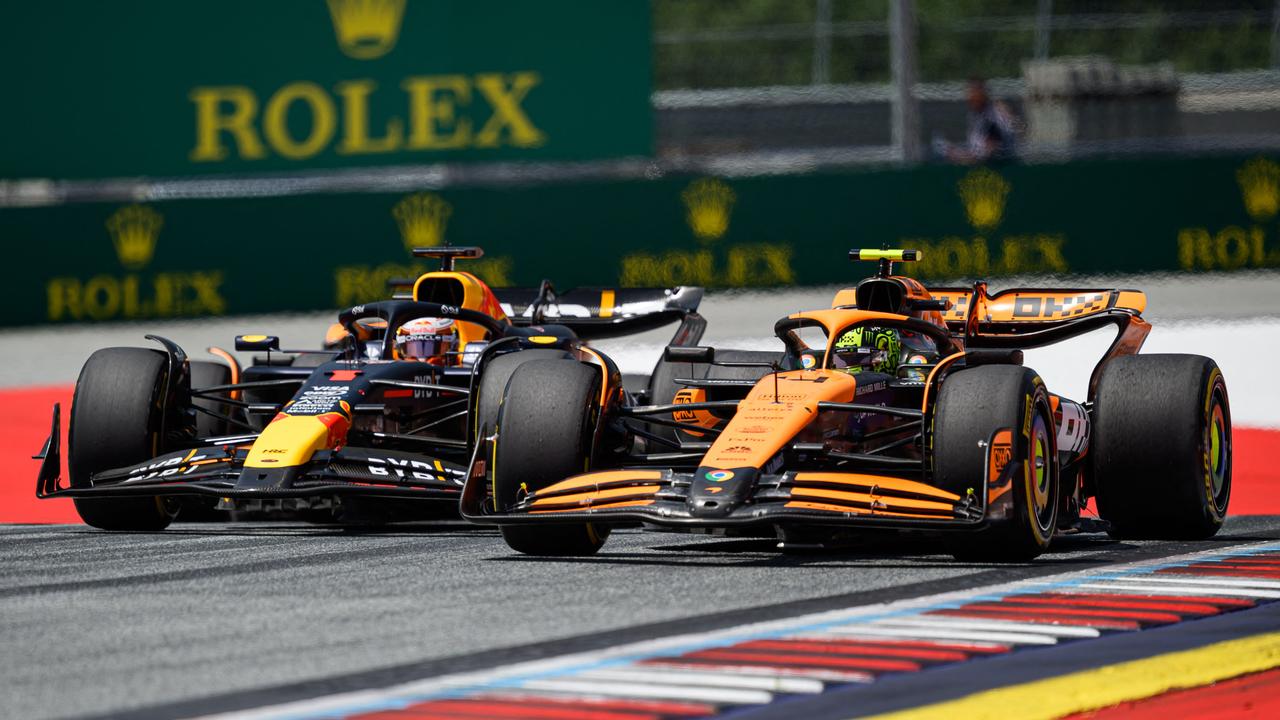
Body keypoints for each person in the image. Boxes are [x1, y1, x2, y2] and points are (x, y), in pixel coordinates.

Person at [934, 77, 1019, 164]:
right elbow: (978, 147)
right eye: (968, 93)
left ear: (983, 93)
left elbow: (989, 153)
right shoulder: (976, 114)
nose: (969, 97)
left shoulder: (992, 117)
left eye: (973, 93)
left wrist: (953, 154)